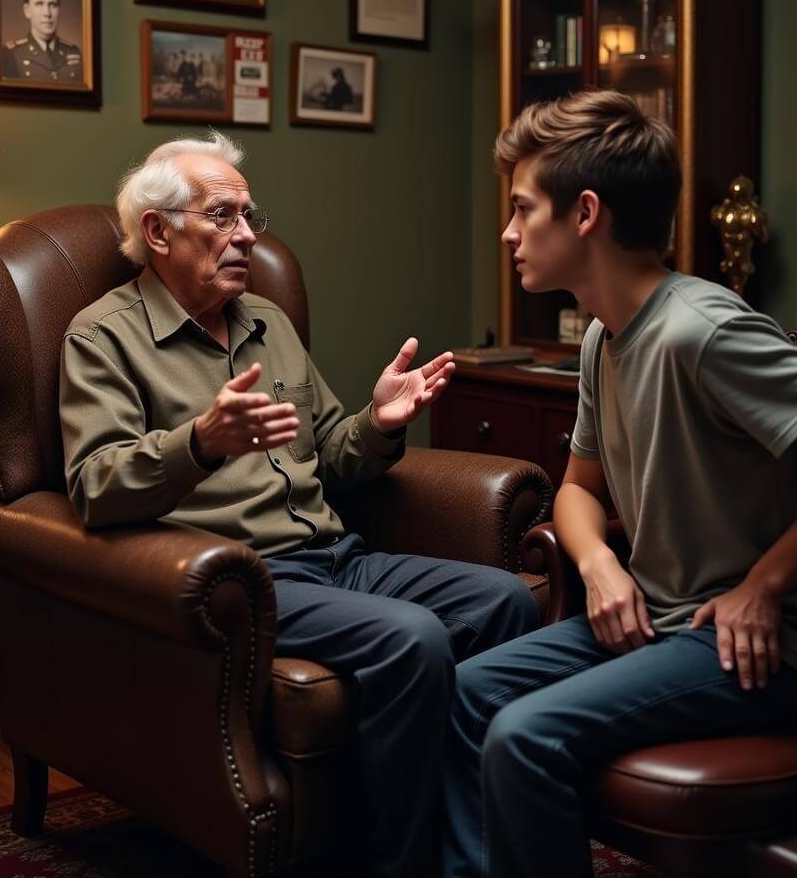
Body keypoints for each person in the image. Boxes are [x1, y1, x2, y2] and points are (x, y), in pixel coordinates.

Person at [59, 132, 541, 878]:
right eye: (222, 217)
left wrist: (378, 425)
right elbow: (93, 486)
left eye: (251, 216)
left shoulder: (267, 321)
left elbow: (335, 456)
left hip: (340, 558)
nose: (248, 235)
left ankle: (478, 834)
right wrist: (202, 442)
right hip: (248, 581)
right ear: (158, 231)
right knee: (413, 638)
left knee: (505, 600)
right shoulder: (103, 337)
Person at [442, 89, 797, 878]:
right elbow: (578, 489)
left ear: (584, 213)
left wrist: (765, 584)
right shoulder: (601, 338)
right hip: (662, 621)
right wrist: (599, 564)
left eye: (521, 208)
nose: (508, 232)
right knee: (465, 688)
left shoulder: (703, 330)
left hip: (758, 648)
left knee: (524, 734)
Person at [0, 0, 82, 83]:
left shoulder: (73, 51)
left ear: (59, 10)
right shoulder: (11, 54)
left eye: (53, 5)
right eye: (39, 4)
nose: (47, 13)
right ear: (27, 11)